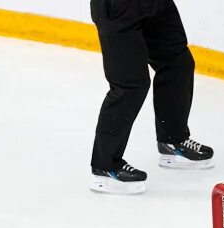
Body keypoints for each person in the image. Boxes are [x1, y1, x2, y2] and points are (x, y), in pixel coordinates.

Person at [89, 0, 213, 194]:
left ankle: (173, 141)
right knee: (130, 85)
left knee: (177, 62)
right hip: (119, 8)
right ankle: (105, 167)